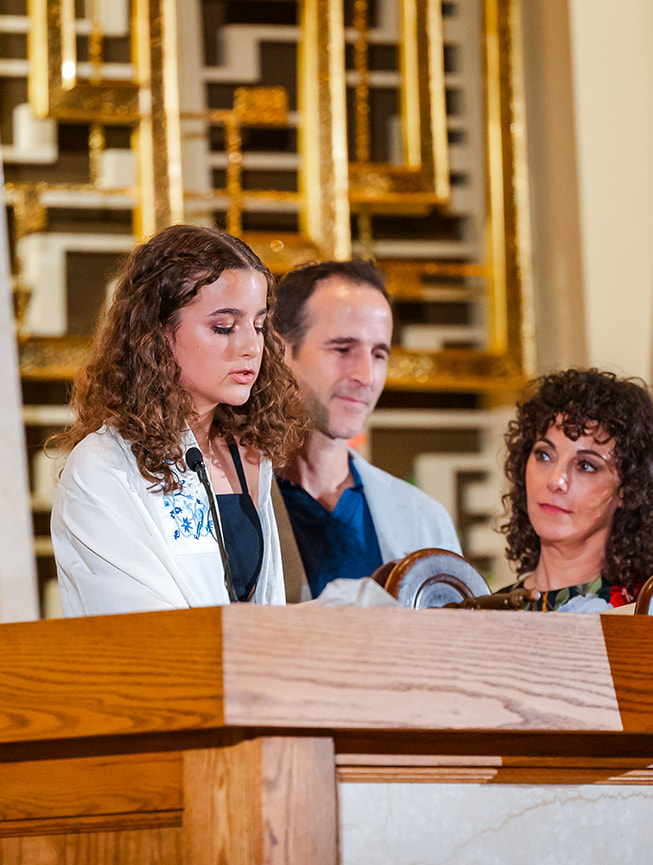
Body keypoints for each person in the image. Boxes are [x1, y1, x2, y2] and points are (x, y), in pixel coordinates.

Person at [50, 225, 305, 615]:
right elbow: (146, 630)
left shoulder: (249, 453)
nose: (252, 347)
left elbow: (267, 608)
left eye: (257, 325)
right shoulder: (102, 466)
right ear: (157, 332)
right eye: (223, 327)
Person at [271, 260, 462, 601]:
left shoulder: (424, 519)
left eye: (378, 354)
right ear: (279, 351)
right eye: (343, 349)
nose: (365, 375)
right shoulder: (228, 501)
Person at [495, 368, 653, 612]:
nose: (556, 481)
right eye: (543, 454)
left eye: (585, 465)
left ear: (628, 489)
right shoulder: (485, 614)